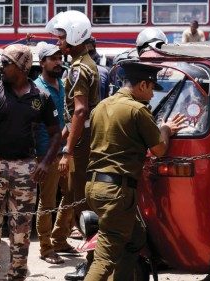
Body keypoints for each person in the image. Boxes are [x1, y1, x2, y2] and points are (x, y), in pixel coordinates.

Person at [83, 62, 186, 281]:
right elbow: (159, 149)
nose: (151, 95)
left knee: (135, 239)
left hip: (95, 187)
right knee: (104, 258)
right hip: (116, 192)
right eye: (151, 89)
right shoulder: (137, 110)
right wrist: (166, 129)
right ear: (142, 85)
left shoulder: (101, 106)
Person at [0, 44, 61, 281]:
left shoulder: (41, 97)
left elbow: (56, 133)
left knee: (22, 230)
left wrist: (45, 163)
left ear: (22, 67)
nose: (1, 67)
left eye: (6, 63)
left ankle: (17, 275)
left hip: (26, 169)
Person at [46, 10, 100, 280]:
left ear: (75, 36)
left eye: (62, 37)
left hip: (81, 144)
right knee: (81, 200)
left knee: (81, 203)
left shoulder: (79, 69)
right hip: (84, 139)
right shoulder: (86, 63)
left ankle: (92, 262)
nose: (58, 42)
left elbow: (80, 112)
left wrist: (68, 149)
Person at [33, 42, 75, 264]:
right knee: (47, 201)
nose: (59, 62)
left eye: (60, 58)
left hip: (64, 149)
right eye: (53, 59)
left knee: (71, 194)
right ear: (42, 63)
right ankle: (45, 248)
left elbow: (67, 117)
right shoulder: (37, 89)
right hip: (46, 153)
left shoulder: (61, 84)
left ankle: (59, 238)